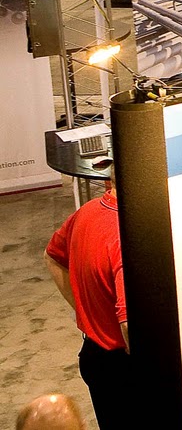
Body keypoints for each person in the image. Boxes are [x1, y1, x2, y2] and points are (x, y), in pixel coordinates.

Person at [45, 173, 129, 430]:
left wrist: (85, 311)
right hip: (123, 370)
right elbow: (128, 323)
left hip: (95, 358)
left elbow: (52, 256)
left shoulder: (86, 212)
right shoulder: (128, 237)